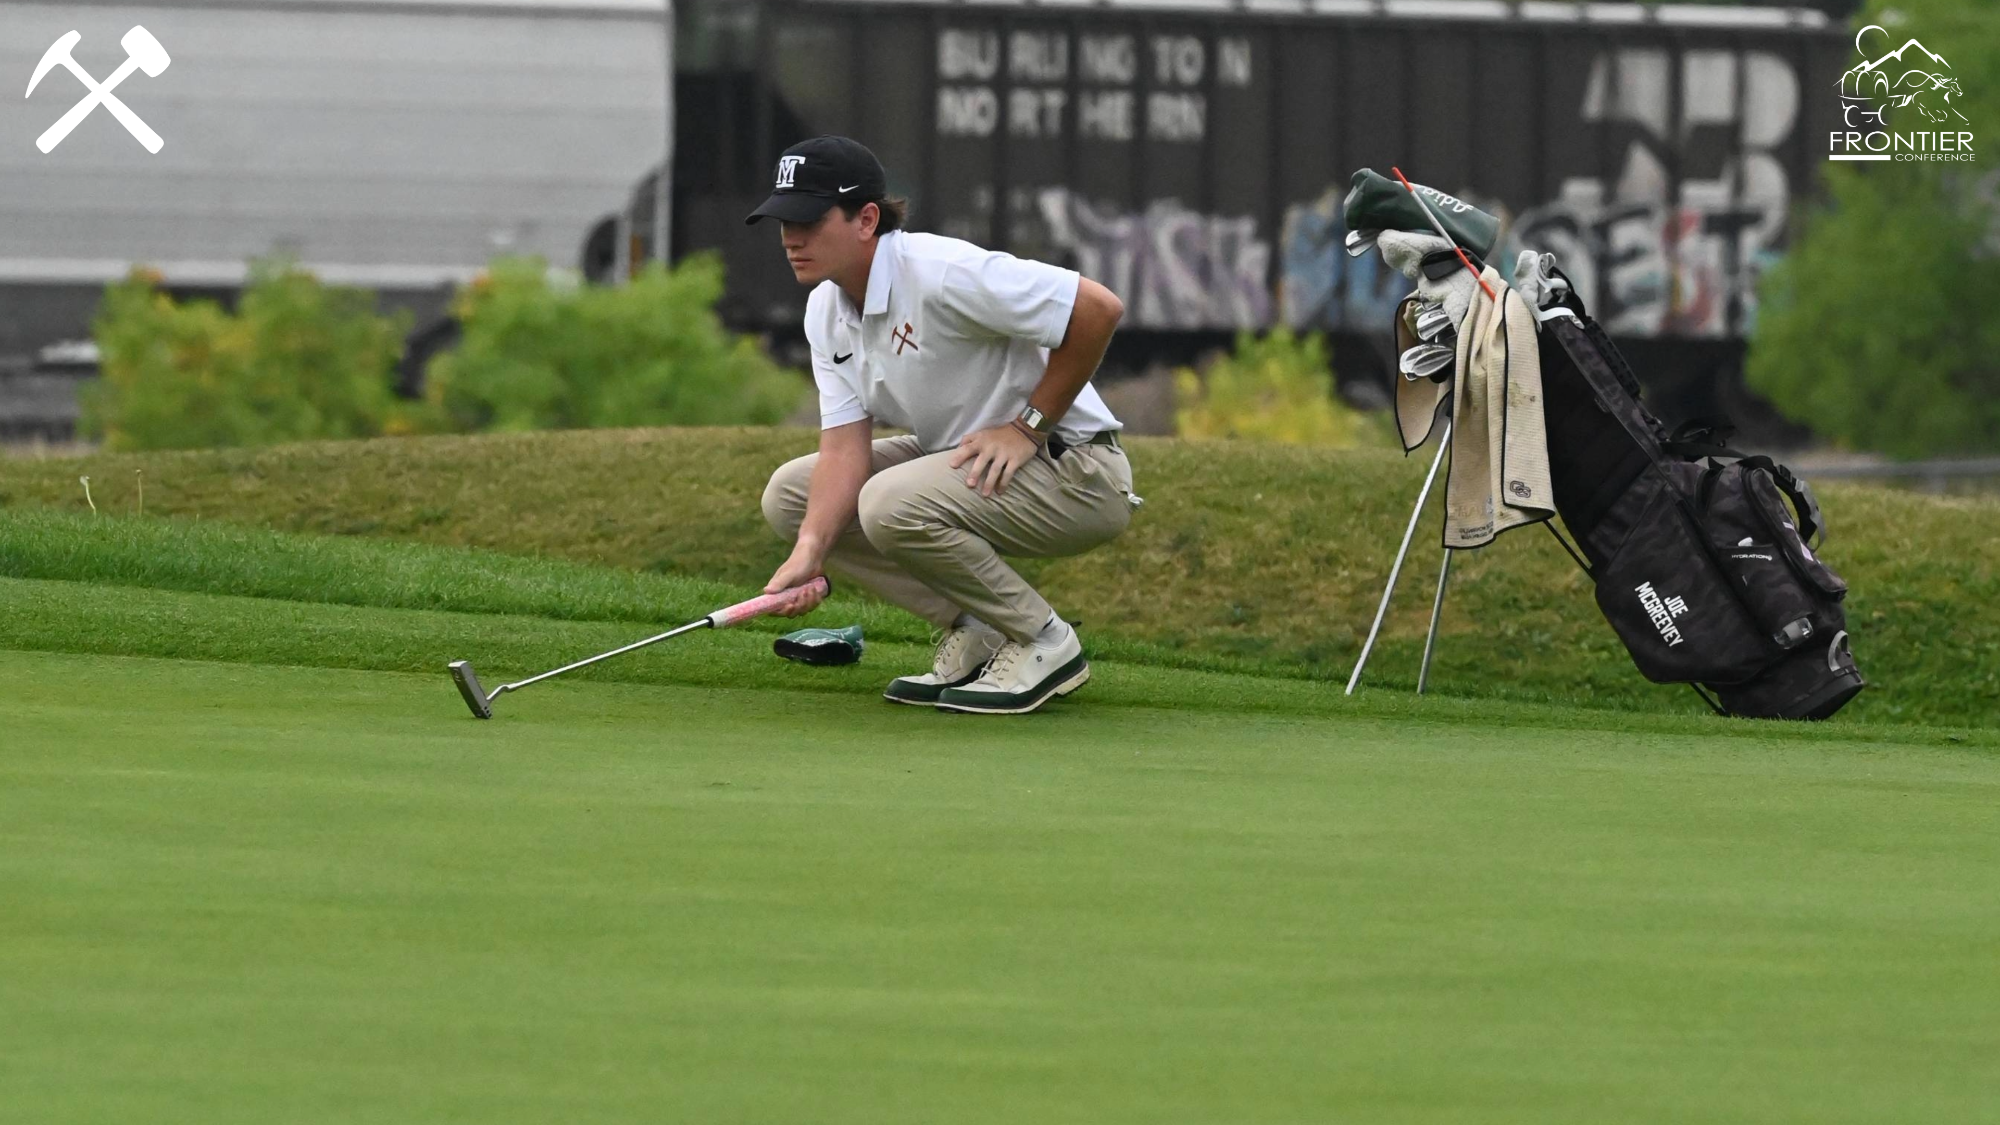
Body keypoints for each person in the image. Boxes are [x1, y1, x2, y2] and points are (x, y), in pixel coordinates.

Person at [749, 135, 1138, 715]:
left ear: (867, 219)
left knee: (885, 502)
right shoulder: (825, 310)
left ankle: (1044, 640)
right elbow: (843, 450)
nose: (790, 238)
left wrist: (1027, 427)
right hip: (972, 464)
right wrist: (811, 549)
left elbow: (1097, 308)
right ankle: (980, 627)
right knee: (792, 497)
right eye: (783, 220)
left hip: (1076, 469)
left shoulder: (941, 271)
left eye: (808, 218)